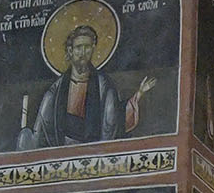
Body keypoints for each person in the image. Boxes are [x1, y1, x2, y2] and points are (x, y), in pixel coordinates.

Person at [17, 24, 157, 150]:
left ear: (93, 49)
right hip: (63, 153)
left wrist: (138, 94)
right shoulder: (56, 91)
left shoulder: (103, 86)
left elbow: (114, 121)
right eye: (79, 47)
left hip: (94, 153)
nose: (83, 52)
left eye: (87, 47)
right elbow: (41, 130)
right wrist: (26, 140)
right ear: (70, 51)